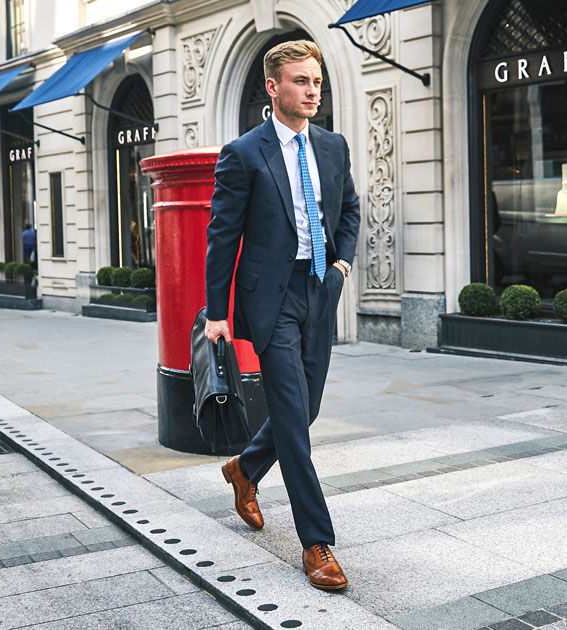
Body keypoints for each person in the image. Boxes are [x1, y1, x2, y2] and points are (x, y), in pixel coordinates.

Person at [204, 40, 360, 590]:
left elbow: (350, 208)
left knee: (308, 405)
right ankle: (318, 544)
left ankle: (244, 469)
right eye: (300, 81)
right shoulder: (244, 153)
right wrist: (216, 312)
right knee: (294, 420)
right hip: (269, 299)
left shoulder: (334, 145)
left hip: (319, 287)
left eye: (316, 81)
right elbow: (222, 233)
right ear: (273, 87)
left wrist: (341, 264)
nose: (312, 90)